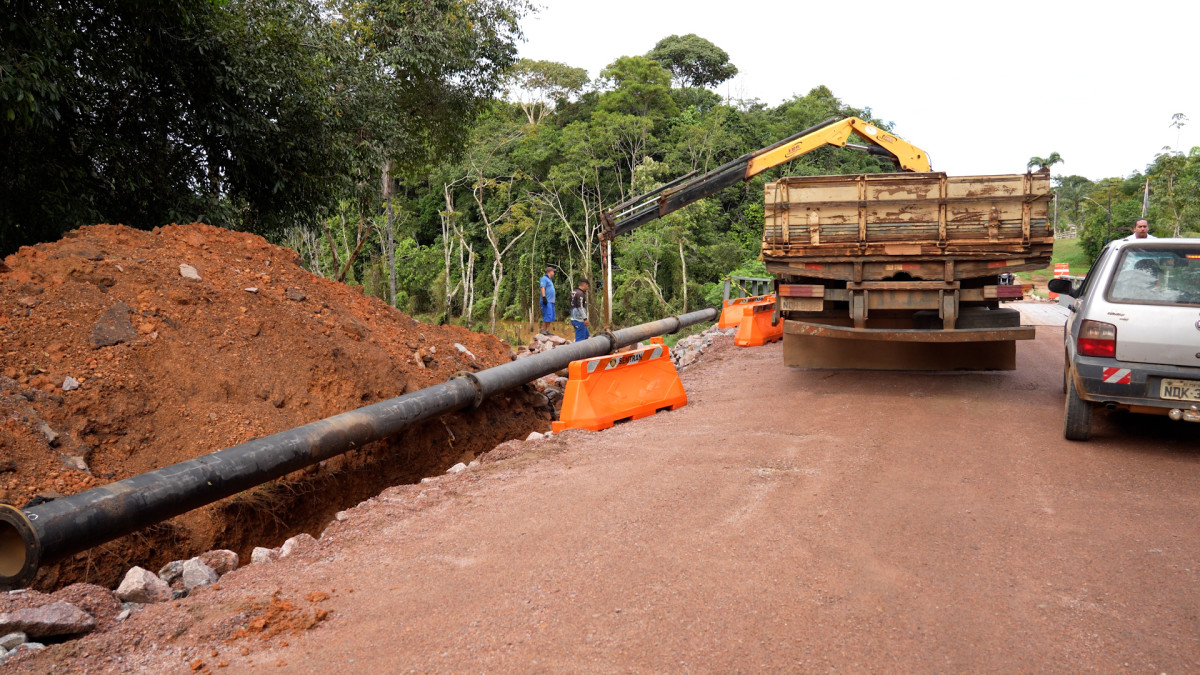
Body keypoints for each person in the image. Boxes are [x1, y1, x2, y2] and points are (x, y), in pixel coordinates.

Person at [538, 267, 556, 334]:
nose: (553, 273)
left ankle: (547, 330)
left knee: (550, 316)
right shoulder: (544, 278)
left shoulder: (550, 280)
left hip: (551, 301)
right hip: (547, 301)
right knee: (547, 315)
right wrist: (544, 297)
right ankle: (543, 329)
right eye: (553, 271)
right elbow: (542, 287)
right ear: (549, 272)